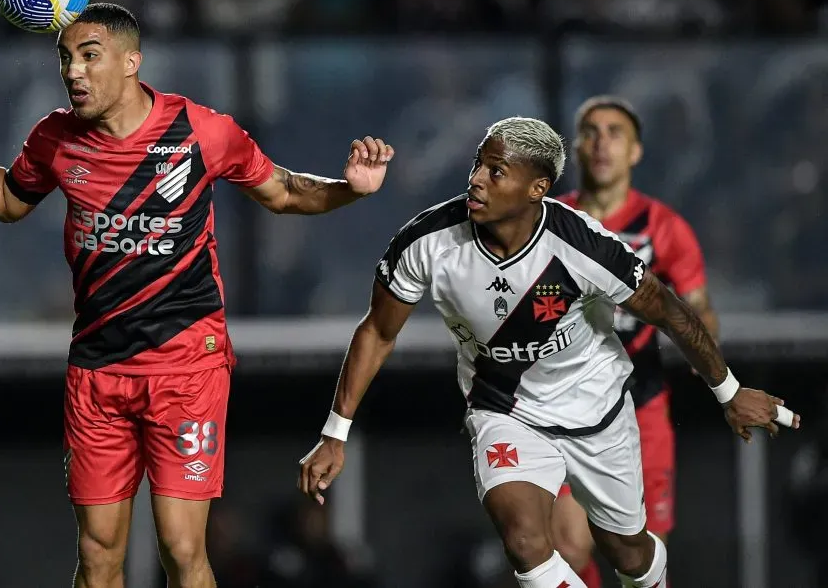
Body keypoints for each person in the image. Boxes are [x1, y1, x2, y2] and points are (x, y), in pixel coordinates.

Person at [0, 2, 394, 588]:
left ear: (132, 61)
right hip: (97, 368)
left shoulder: (201, 130)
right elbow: (9, 200)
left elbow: (283, 192)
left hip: (186, 364)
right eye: (65, 59)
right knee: (97, 551)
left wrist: (350, 190)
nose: (74, 72)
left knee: (182, 547)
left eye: (89, 56)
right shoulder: (55, 137)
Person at [297, 116, 799, 588]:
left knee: (628, 553)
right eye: (477, 164)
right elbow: (377, 333)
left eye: (496, 171)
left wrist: (728, 391)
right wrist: (335, 433)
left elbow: (669, 311)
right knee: (524, 540)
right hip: (503, 409)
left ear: (537, 188)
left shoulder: (582, 245)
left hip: (596, 408)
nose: (476, 180)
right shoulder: (426, 242)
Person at [551, 95, 719, 587]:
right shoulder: (549, 220)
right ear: (575, 148)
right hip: (567, 406)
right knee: (568, 542)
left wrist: (703, 343)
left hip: (640, 403)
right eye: (591, 132)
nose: (602, 143)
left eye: (615, 132)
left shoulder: (664, 228)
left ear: (636, 152)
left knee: (643, 556)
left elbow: (698, 303)